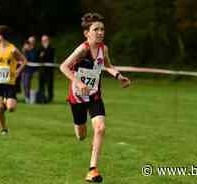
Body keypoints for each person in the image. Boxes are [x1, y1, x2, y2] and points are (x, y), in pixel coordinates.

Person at [60, 12, 131, 183]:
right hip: (77, 97)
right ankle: (79, 126)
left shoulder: (103, 48)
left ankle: (92, 169)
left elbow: (107, 65)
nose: (100, 32)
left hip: (94, 96)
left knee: (100, 128)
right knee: (81, 135)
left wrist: (118, 76)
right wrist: (78, 82)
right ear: (87, 33)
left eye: (102, 29)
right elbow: (63, 66)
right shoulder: (82, 49)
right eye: (96, 29)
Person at [0, 25, 27, 135]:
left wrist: (18, 71)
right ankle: (4, 129)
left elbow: (24, 61)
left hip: (10, 82)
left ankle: (5, 102)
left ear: (1, 36)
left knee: (11, 108)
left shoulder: (12, 49)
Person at [38, 34, 55, 103]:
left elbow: (51, 57)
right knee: (41, 85)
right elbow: (38, 58)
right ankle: (42, 98)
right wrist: (41, 56)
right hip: (42, 70)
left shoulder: (51, 48)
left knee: (49, 85)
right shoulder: (39, 48)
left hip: (49, 70)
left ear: (48, 40)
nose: (44, 41)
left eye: (45, 40)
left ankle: (49, 98)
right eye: (43, 40)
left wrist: (44, 54)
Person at [23, 36, 39, 103]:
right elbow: (23, 59)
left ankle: (31, 98)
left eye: (32, 41)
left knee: (29, 84)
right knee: (25, 84)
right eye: (30, 41)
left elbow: (34, 59)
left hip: (32, 70)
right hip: (25, 70)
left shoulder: (36, 50)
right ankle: (26, 97)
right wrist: (25, 50)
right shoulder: (25, 49)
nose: (31, 42)